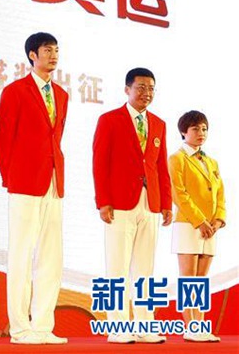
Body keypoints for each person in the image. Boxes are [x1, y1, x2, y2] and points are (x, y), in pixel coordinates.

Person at [0, 32, 68, 345]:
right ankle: (20, 327)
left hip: (53, 180)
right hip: (23, 181)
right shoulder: (15, 90)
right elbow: (0, 137)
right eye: (47, 50)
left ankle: (43, 325)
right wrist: (10, 175)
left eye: (56, 50)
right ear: (32, 55)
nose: (53, 55)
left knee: (51, 255)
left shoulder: (61, 94)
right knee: (21, 254)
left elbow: (55, 136)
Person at [92, 67, 172, 344]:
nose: (146, 93)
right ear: (127, 89)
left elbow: (161, 167)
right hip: (119, 203)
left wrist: (166, 203)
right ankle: (117, 327)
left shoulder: (159, 123)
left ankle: (144, 325)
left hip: (150, 204)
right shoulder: (109, 120)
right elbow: (99, 163)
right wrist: (103, 201)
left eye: (150, 88)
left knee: (145, 269)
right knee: (117, 267)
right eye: (140, 87)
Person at [168, 110, 225, 342]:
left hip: (210, 227)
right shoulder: (177, 158)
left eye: (204, 129)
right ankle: (190, 326)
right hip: (188, 225)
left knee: (201, 279)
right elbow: (178, 194)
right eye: (195, 129)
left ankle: (200, 325)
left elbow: (220, 194)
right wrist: (199, 221)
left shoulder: (211, 162)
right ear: (184, 132)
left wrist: (218, 219)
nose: (201, 133)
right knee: (188, 278)